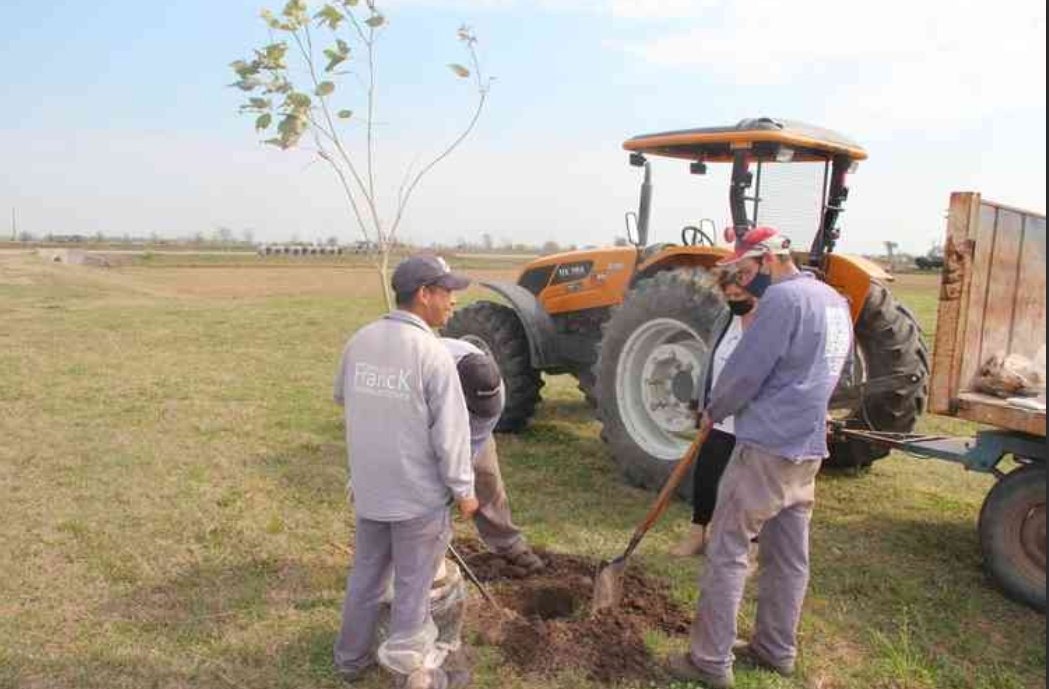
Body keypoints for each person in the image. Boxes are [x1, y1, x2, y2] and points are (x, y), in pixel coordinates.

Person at [669, 227, 853, 689]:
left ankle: (709, 661)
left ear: (770, 260)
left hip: (767, 447)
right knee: (788, 556)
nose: (744, 282)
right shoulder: (833, 300)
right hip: (807, 446)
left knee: (728, 549)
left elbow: (745, 371)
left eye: (748, 271)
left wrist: (714, 408)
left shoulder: (782, 302)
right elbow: (839, 370)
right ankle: (775, 649)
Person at [332, 254, 479, 687]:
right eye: (447, 292)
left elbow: (344, 398)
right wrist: (465, 491)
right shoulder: (431, 354)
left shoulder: (359, 340)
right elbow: (451, 435)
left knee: (367, 576)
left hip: (371, 491)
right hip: (418, 500)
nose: (452, 302)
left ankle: (350, 660)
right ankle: (410, 674)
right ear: (424, 294)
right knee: (414, 590)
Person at [669, 270, 759, 557]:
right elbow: (710, 361)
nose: (734, 301)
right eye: (729, 296)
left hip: (751, 419)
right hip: (717, 415)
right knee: (706, 475)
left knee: (751, 488)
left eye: (740, 296)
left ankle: (751, 549)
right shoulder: (725, 320)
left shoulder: (767, 324)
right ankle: (698, 534)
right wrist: (700, 401)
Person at [441, 337, 544, 573]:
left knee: (485, 472)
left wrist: (462, 487)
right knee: (427, 487)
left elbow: (473, 445)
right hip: (425, 419)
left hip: (461, 405)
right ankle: (426, 548)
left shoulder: (492, 388)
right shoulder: (428, 372)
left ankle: (508, 543)